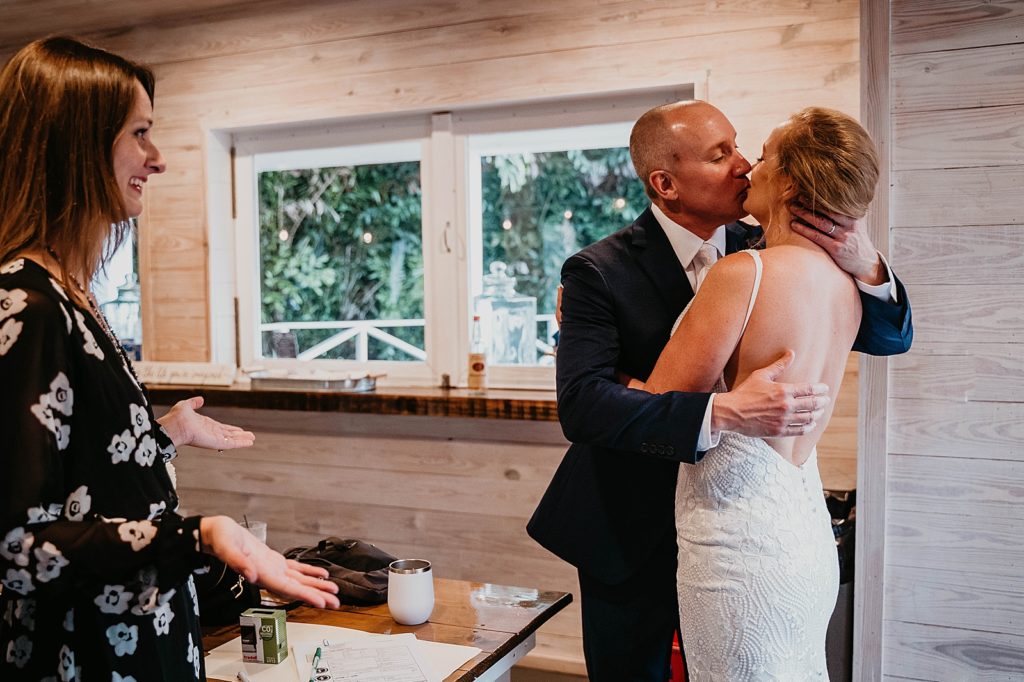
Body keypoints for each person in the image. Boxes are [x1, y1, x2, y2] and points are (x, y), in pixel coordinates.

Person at [526, 100, 912, 681]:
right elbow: (582, 406)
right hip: (632, 527)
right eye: (721, 153)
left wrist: (869, 266)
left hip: (742, 528)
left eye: (742, 146)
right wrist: (720, 411)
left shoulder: (776, 246)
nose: (744, 164)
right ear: (666, 183)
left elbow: (887, 336)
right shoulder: (598, 271)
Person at [0, 37, 340, 680]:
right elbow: (17, 548)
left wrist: (159, 437)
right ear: (79, 143)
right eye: (140, 134)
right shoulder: (27, 303)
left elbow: (79, 488)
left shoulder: (73, 295)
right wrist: (199, 534)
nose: (155, 159)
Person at [637, 106, 882, 678]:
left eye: (765, 155)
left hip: (738, 546)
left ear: (791, 182)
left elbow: (656, 407)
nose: (750, 166)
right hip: (802, 537)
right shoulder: (847, 286)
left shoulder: (742, 274)